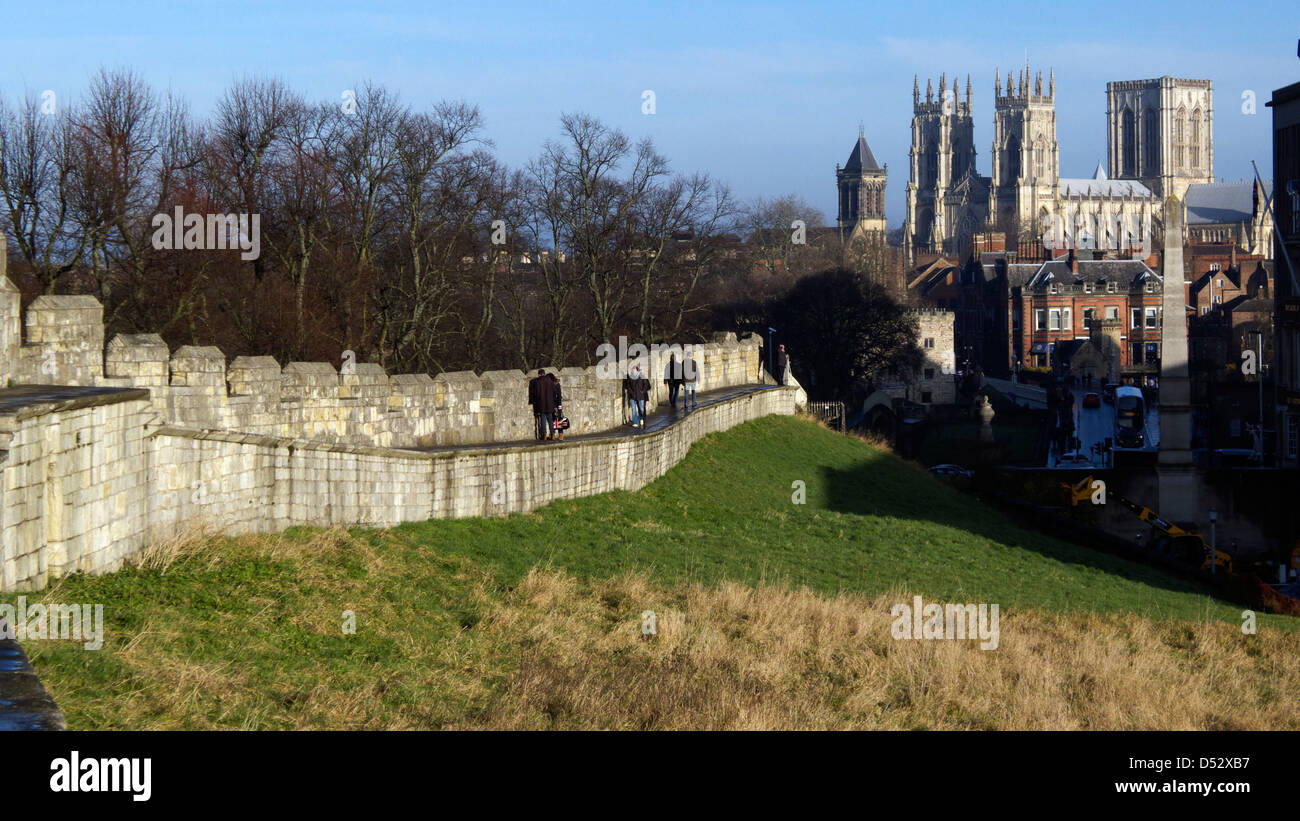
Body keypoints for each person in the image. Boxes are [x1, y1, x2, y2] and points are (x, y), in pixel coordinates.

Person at [533, 367, 558, 441]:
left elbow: (536, 394)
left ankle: (544, 435)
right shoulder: (550, 381)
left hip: (542, 404)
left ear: (539, 374)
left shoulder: (538, 382)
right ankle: (552, 434)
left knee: (543, 420)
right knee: (550, 420)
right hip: (550, 404)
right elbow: (554, 392)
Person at [623, 364, 650, 428]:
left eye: (635, 370)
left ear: (637, 371)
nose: (634, 371)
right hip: (632, 396)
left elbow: (646, 385)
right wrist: (630, 392)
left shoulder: (642, 376)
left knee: (641, 409)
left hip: (640, 396)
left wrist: (643, 391)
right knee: (633, 409)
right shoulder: (630, 377)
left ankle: (641, 418)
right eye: (633, 370)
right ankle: (635, 422)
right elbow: (628, 386)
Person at [547, 370, 565, 441]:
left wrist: (559, 407)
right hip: (554, 405)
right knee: (555, 420)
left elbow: (559, 396)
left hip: (555, 405)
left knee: (558, 420)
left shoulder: (556, 385)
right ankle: (554, 434)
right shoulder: (553, 385)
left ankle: (559, 434)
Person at [527, 370, 544, 440]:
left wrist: (531, 401)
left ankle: (538, 434)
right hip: (542, 403)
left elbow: (532, 393)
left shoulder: (533, 382)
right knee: (541, 419)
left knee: (537, 419)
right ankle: (541, 434)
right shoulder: (544, 382)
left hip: (536, 403)